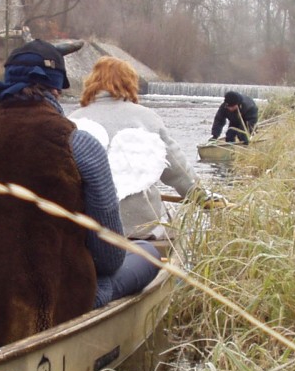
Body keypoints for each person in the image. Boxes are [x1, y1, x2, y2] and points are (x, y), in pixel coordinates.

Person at [0, 39, 161, 349]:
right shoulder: (80, 146)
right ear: (56, 89)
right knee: (148, 253)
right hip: (52, 311)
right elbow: (110, 260)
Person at [69, 56, 201, 239]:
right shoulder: (147, 119)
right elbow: (178, 172)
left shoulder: (72, 120)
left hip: (89, 231)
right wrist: (201, 196)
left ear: (91, 83)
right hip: (142, 231)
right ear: (130, 83)